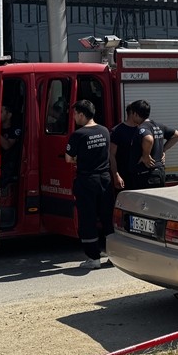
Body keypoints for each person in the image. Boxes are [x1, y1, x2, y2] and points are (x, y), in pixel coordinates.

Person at [64, 99, 113, 271]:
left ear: (82, 115)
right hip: (105, 180)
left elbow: (68, 158)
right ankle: (113, 256)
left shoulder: (78, 134)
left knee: (88, 219)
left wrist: (80, 158)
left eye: (75, 114)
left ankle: (93, 258)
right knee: (107, 218)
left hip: (87, 181)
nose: (74, 117)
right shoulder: (105, 130)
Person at [109, 98, 178, 191]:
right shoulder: (118, 131)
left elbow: (149, 139)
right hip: (147, 174)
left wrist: (148, 155)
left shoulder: (143, 127)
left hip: (143, 176)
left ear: (135, 113)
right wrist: (116, 175)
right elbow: (112, 155)